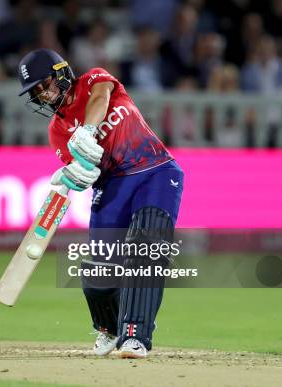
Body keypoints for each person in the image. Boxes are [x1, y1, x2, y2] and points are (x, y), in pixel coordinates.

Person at [17, 49, 183, 358]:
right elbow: (87, 172)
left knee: (144, 250)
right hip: (113, 184)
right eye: (36, 91)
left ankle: (136, 334)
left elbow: (100, 97)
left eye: (45, 84)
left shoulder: (93, 79)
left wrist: (89, 131)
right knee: (99, 275)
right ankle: (110, 328)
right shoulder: (57, 130)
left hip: (155, 172)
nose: (43, 94)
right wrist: (74, 174)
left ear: (61, 72)